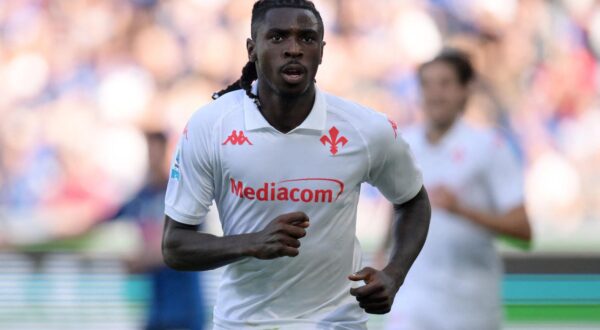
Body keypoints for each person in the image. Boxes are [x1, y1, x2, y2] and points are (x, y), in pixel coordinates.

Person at [161, 1, 431, 329]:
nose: (293, 49)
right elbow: (174, 246)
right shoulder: (211, 126)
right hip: (244, 323)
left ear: (321, 51)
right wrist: (252, 242)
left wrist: (395, 273)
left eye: (306, 38)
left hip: (336, 323)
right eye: (277, 38)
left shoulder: (365, 129)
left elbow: (413, 200)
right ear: (252, 49)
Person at [383, 50, 532, 330]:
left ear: (466, 91)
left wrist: (461, 209)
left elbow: (523, 229)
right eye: (427, 84)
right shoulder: (404, 144)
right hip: (413, 298)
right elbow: (396, 205)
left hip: (469, 305)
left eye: (445, 83)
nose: (435, 93)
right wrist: (382, 252)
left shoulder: (489, 146)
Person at [113, 131, 204, 330]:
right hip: (155, 306)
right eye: (149, 153)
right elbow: (104, 221)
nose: (152, 159)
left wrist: (141, 261)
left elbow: (181, 244)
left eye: (157, 153)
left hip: (184, 307)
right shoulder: (141, 197)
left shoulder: (185, 194)